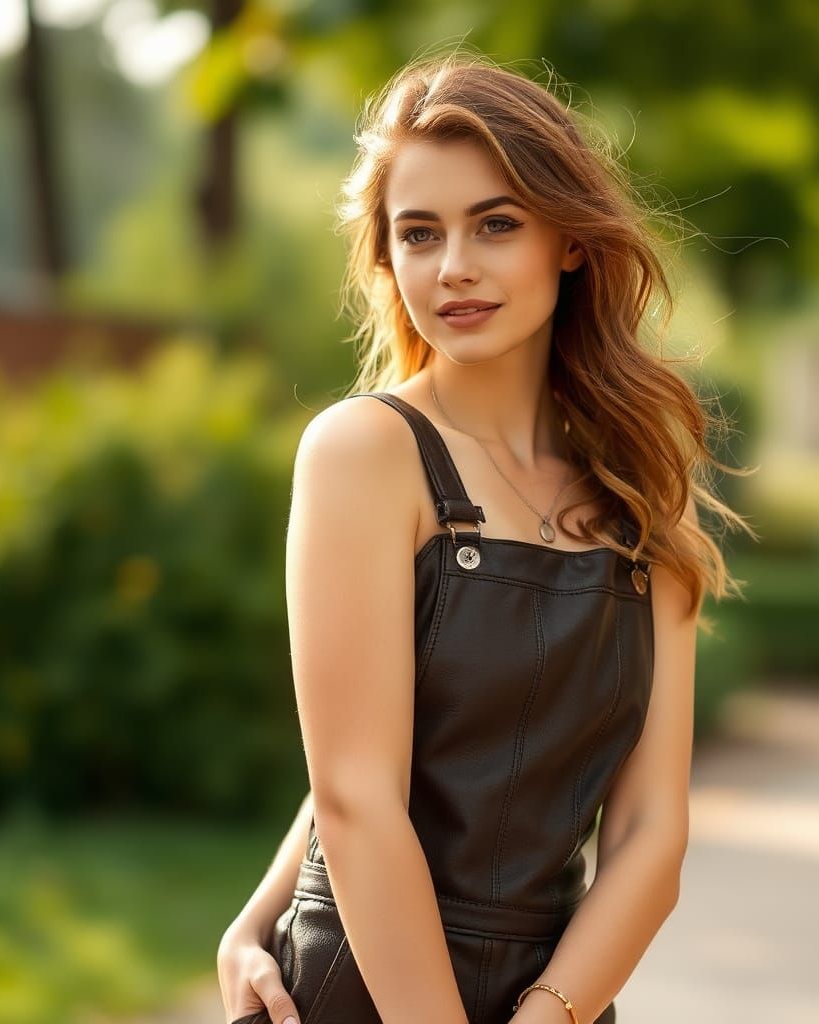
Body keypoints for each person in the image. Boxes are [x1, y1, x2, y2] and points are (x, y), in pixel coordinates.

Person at [217, 47, 751, 1024]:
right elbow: (356, 796)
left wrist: (551, 1011)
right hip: (360, 989)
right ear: (387, 256)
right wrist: (259, 918)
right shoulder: (363, 452)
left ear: (570, 241)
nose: (453, 265)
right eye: (418, 233)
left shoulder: (644, 498)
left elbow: (648, 835)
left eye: (495, 224)